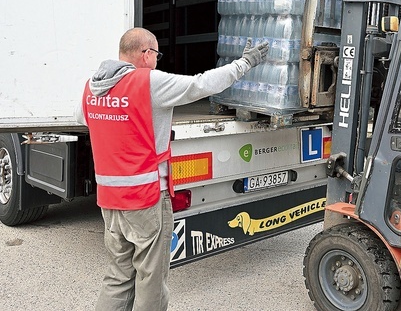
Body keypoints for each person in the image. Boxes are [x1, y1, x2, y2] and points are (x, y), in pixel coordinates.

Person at [76, 27, 268, 311]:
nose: (157, 61)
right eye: (155, 54)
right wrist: (244, 64)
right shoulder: (147, 82)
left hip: (109, 200)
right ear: (145, 54)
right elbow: (200, 85)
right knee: (151, 280)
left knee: (118, 276)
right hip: (145, 199)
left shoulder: (92, 87)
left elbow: (83, 119)